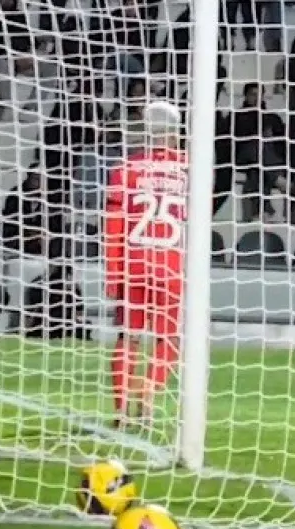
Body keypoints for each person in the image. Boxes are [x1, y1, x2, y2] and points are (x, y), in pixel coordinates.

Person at [104, 100, 187, 427]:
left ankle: (121, 409)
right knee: (169, 339)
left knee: (129, 337)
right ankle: (148, 399)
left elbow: (113, 223)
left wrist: (113, 271)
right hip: (172, 265)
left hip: (134, 264)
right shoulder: (191, 169)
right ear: (176, 132)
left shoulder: (125, 169)